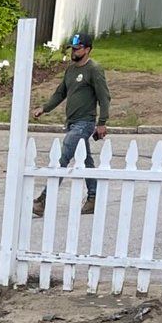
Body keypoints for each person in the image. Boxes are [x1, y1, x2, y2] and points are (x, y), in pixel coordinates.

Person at [31, 32, 110, 215]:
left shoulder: (94, 69)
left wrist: (102, 122)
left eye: (78, 48)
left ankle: (43, 201)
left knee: (63, 156)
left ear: (88, 49)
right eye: (73, 48)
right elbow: (61, 93)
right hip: (72, 122)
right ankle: (93, 198)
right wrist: (44, 108)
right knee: (86, 160)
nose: (74, 51)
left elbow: (104, 97)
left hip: (85, 123)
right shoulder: (71, 70)